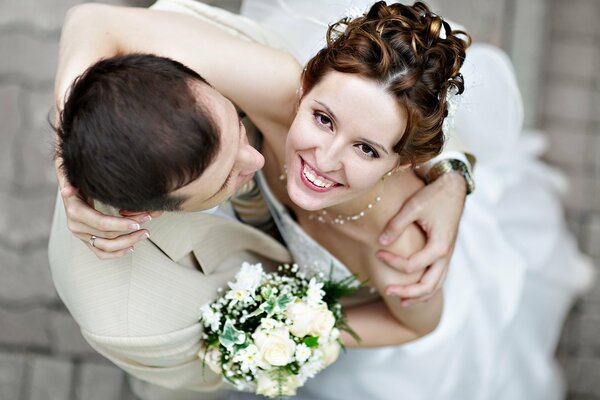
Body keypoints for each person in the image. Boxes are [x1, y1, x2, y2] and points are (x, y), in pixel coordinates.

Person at [51, 1, 594, 399]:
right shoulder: (279, 93)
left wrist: (302, 331)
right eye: (323, 118)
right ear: (307, 87)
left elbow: (416, 324)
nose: (323, 159)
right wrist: (74, 167)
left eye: (365, 148)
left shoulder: (400, 242)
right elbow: (94, 22)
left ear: (402, 162)